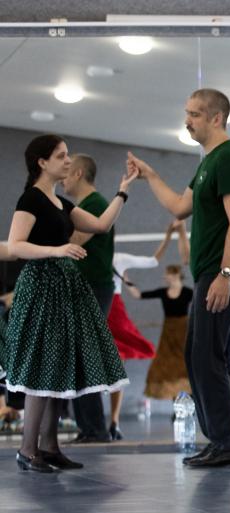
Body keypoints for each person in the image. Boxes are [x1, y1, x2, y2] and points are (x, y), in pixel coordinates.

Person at [127, 88, 230, 468]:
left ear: (216, 118)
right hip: (208, 273)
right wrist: (150, 175)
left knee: (207, 356)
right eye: (187, 113)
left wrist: (225, 274)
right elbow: (179, 207)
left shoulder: (228, 157)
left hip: (221, 271)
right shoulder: (208, 162)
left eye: (195, 114)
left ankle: (228, 443)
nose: (187, 121)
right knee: (197, 355)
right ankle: (220, 439)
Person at [6, 134, 132, 472]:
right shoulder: (30, 199)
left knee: (56, 365)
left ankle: (49, 447)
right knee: (41, 366)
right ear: (42, 162)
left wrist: (123, 191)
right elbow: (16, 245)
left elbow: (102, 224)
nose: (67, 160)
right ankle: (27, 450)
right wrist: (57, 249)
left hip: (62, 289)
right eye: (61, 155)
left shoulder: (60, 203)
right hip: (41, 287)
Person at [106, 221, 183, 437]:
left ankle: (114, 421)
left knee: (117, 368)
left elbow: (153, 261)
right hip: (94, 310)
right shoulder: (83, 256)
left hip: (113, 312)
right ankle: (103, 421)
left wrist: (168, 234)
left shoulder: (117, 259)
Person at [61, 153, 119, 443]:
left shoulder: (94, 204)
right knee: (78, 357)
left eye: (67, 170)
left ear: (79, 173)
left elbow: (73, 241)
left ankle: (95, 429)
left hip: (93, 287)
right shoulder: (84, 206)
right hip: (85, 287)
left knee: (85, 357)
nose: (63, 177)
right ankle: (88, 428)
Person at [128, 263, 193, 401]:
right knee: (167, 365)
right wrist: (125, 279)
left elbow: (203, 302)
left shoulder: (188, 292)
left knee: (184, 362)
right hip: (168, 333)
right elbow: (139, 295)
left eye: (167, 273)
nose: (164, 276)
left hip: (183, 331)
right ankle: (176, 403)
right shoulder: (163, 292)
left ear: (176, 275)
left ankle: (190, 399)